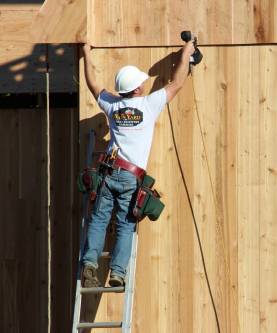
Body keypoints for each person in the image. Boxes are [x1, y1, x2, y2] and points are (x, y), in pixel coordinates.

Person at [80, 40, 195, 288]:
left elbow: (92, 83)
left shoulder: (112, 105)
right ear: (137, 90)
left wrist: (86, 53)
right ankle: (118, 273)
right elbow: (176, 83)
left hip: (109, 173)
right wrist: (186, 52)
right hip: (131, 178)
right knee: (125, 224)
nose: (144, 85)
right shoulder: (148, 105)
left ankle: (89, 265)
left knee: (99, 220)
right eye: (141, 83)